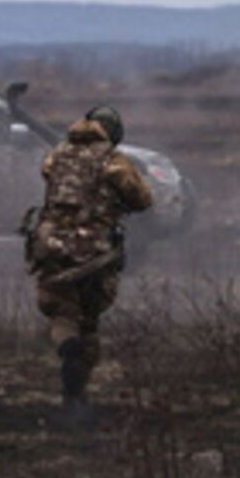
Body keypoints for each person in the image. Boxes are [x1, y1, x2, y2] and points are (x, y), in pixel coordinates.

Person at [23, 105, 152, 413]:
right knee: (90, 321)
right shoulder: (114, 162)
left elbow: (48, 174)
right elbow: (143, 199)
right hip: (94, 253)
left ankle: (68, 353)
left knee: (62, 313)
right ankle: (77, 395)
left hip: (52, 246)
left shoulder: (57, 156)